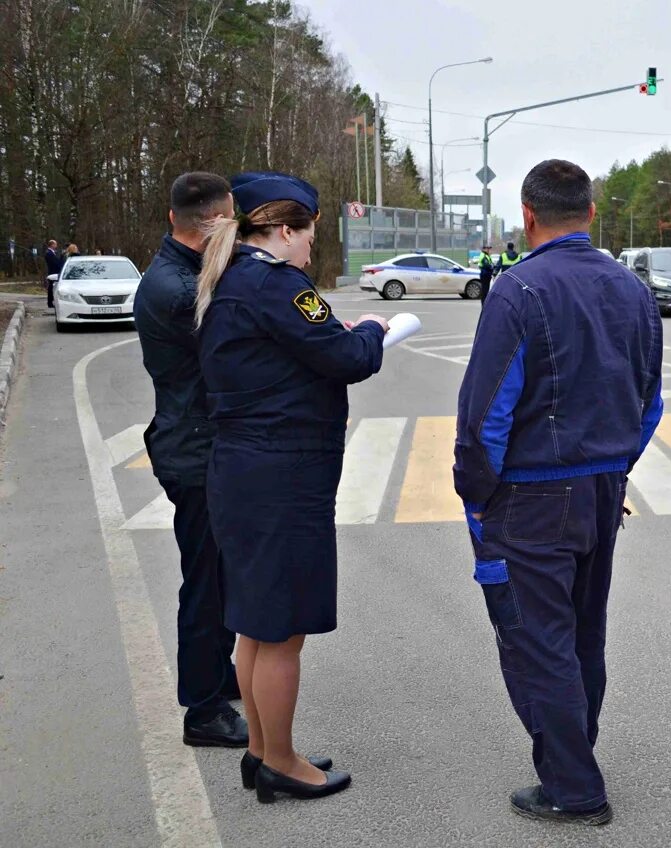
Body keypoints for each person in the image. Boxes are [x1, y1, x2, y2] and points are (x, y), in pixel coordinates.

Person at [454, 159, 664, 825]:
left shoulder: (518, 291)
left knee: (536, 639)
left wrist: (476, 495)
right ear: (591, 214)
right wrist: (615, 467)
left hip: (531, 496)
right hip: (602, 490)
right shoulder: (633, 290)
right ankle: (575, 756)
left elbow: (485, 416)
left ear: (528, 214)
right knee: (582, 635)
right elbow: (649, 402)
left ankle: (575, 788)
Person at [197, 171, 388, 803]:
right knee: (282, 631)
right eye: (309, 235)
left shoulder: (227, 280)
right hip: (283, 477)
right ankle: (280, 760)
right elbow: (347, 358)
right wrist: (373, 332)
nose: (312, 249)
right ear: (284, 230)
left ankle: (261, 750)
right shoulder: (277, 284)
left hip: (243, 472)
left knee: (257, 624)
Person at [134, 172, 247, 749]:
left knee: (220, 574)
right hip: (196, 451)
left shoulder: (180, 272)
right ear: (215, 221)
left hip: (195, 443)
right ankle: (202, 710)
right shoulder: (179, 291)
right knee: (206, 581)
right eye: (233, 217)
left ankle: (216, 672)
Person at [44, 239, 63, 308]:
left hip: (54, 272)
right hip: (52, 272)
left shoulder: (52, 252)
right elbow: (54, 263)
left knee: (52, 287)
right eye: (55, 244)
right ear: (52, 245)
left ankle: (51, 301)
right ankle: (50, 302)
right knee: (51, 288)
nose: (56, 245)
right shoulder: (49, 253)